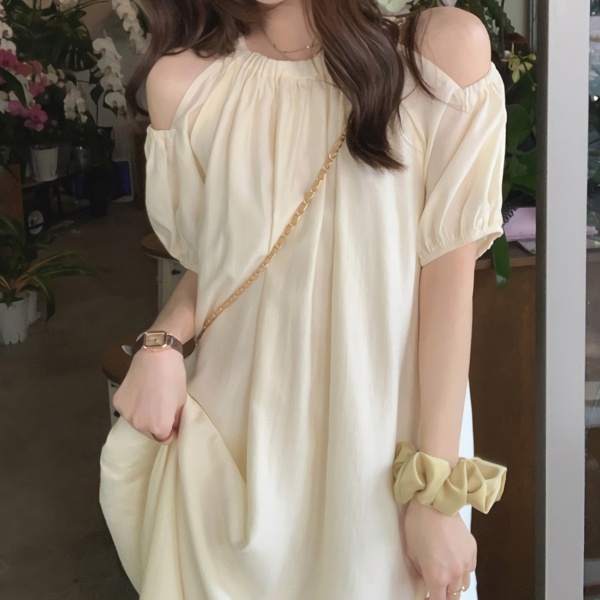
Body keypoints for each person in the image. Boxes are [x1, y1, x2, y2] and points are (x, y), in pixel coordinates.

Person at [99, 1, 508, 599]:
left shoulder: (437, 55)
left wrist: (436, 492)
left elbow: (447, 285)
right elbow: (222, 266)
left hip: (381, 463)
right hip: (232, 459)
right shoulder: (185, 84)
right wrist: (161, 344)